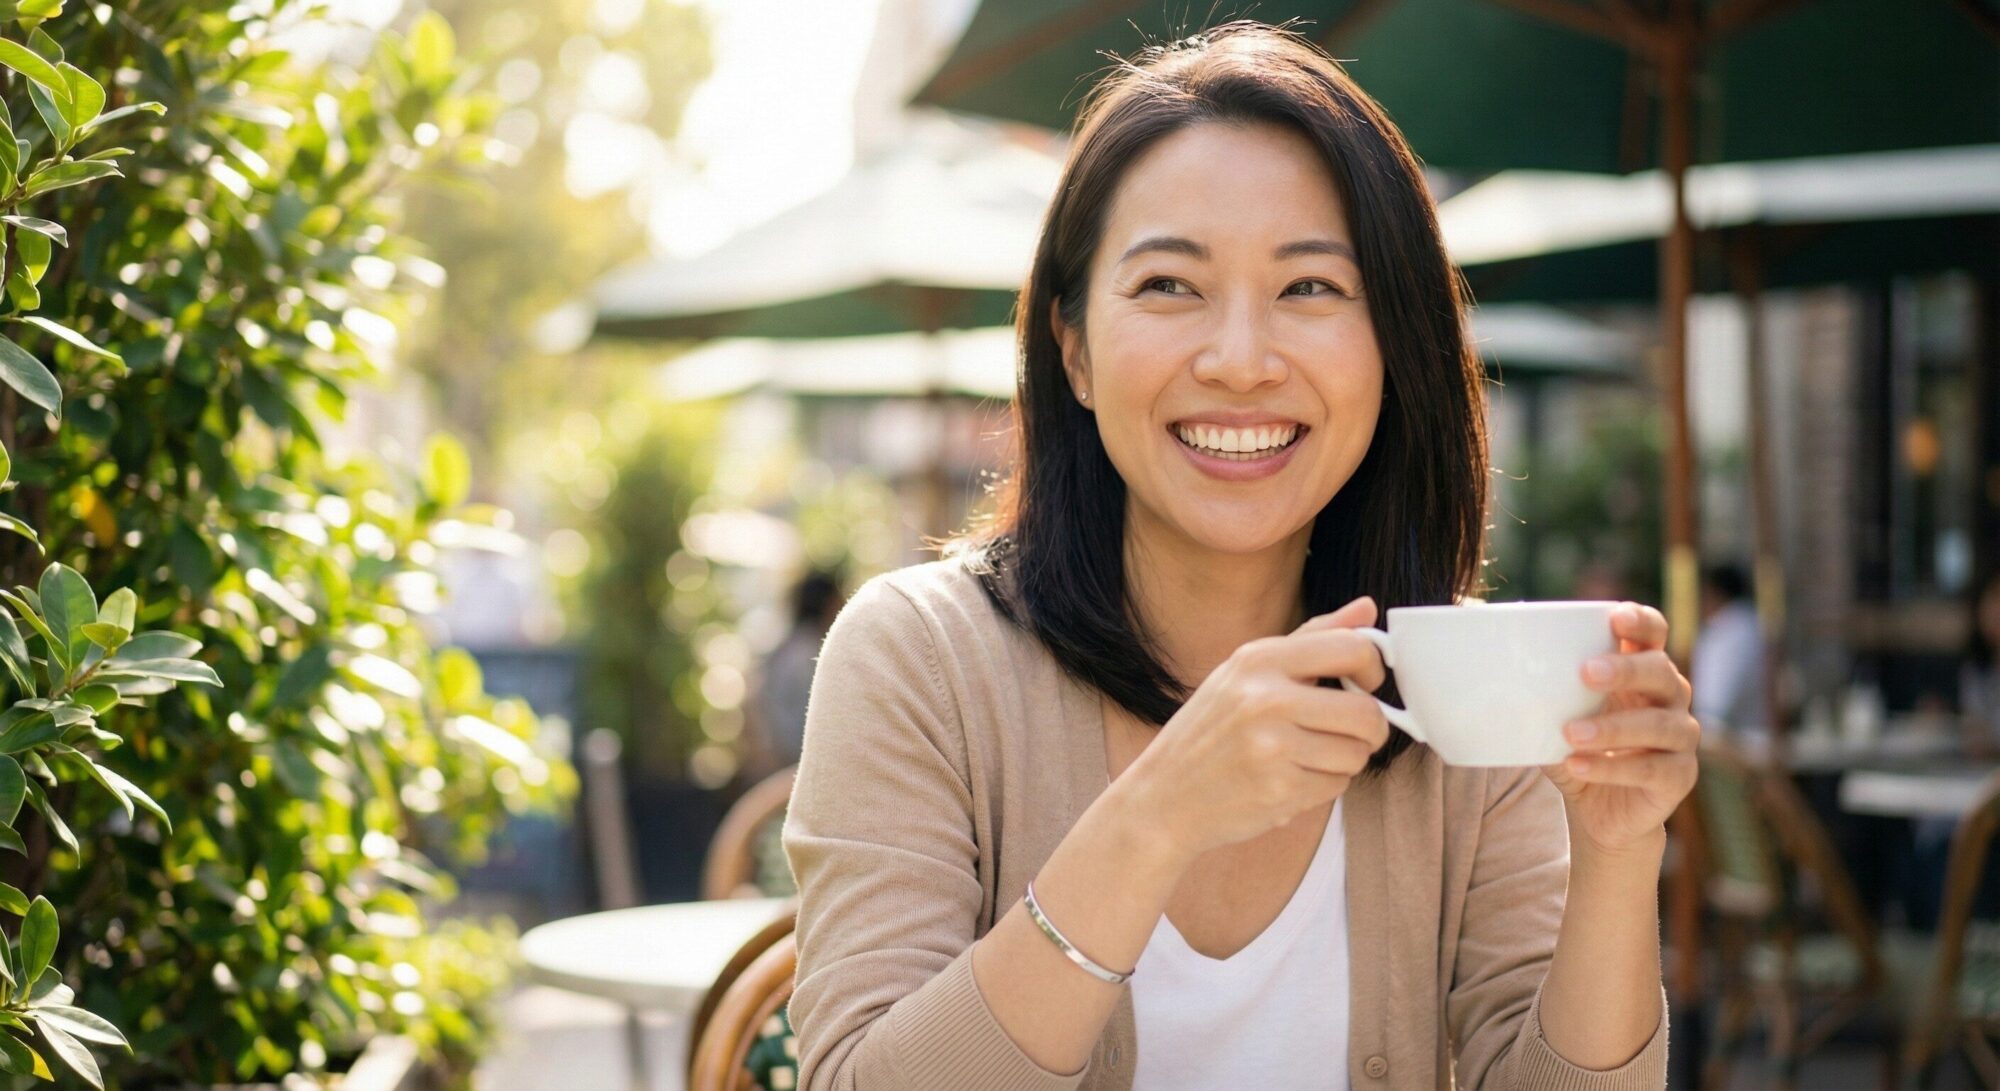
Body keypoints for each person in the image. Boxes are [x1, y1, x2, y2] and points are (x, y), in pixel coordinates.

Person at [783, 22, 1693, 1090]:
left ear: (1392, 349)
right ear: (1073, 349)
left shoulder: (1463, 692)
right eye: (1170, 285)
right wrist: (1156, 816)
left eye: (1309, 289)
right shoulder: (919, 658)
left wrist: (1618, 855)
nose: (1240, 361)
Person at [744, 567, 846, 778]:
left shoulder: (785, 648)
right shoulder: (811, 656)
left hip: (777, 767)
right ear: (827, 604)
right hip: (795, 768)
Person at [1688, 562, 1766, 738]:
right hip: (1753, 736)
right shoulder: (1751, 624)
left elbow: (1712, 710)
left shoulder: (1729, 632)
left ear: (1712, 593)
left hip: (1741, 742)